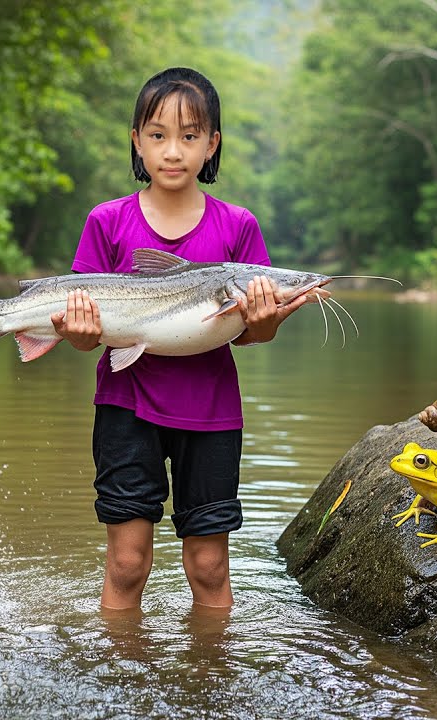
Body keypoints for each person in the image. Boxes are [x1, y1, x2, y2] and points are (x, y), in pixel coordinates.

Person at [50, 67, 316, 611]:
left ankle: (211, 665)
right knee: (127, 564)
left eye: (189, 136)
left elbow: (252, 335)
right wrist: (77, 334)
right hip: (125, 407)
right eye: (158, 135)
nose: (173, 151)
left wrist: (268, 320)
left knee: (210, 567)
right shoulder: (106, 221)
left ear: (212, 144)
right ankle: (119, 661)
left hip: (213, 414)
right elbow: (86, 340)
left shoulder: (239, 226)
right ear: (137, 141)